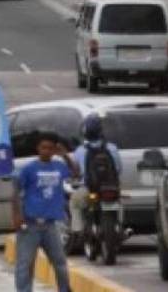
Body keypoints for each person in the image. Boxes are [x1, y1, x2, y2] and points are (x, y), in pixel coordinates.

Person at [13, 132, 77, 292]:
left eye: (50, 148)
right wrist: (17, 215)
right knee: (25, 264)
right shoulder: (29, 169)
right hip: (30, 224)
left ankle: (64, 289)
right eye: (43, 147)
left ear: (54, 149)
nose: (46, 151)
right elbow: (15, 192)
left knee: (60, 262)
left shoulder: (59, 167)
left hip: (50, 225)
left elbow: (76, 173)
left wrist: (65, 156)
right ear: (38, 148)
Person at [68, 115, 122, 238]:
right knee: (119, 202)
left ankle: (78, 231)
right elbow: (118, 169)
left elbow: (75, 172)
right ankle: (120, 226)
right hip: (110, 188)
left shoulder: (80, 150)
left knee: (74, 203)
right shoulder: (112, 148)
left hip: (89, 189)